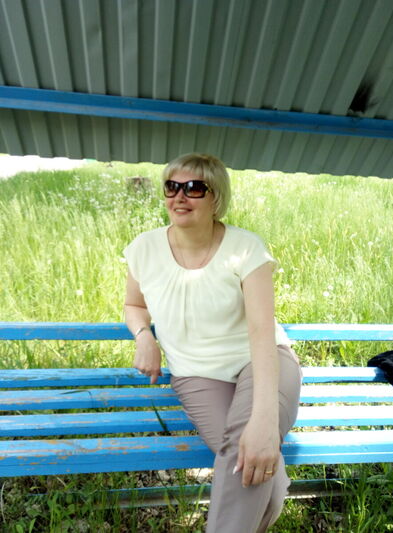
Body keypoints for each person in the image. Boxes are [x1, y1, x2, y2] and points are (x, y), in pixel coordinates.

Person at [123, 153, 302, 532]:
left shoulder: (246, 248)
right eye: (172, 187)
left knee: (246, 447)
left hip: (262, 361)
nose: (179, 196)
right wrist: (143, 335)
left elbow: (261, 332)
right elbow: (134, 305)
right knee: (260, 476)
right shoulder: (143, 248)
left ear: (216, 197)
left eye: (194, 188)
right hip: (197, 374)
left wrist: (265, 422)